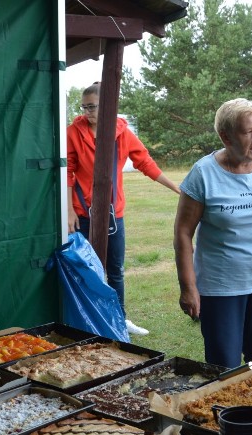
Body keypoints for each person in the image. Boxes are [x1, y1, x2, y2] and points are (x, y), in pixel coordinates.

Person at [174, 98, 252, 368]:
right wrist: (188, 287)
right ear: (226, 136)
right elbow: (183, 233)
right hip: (221, 287)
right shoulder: (203, 174)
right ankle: (225, 412)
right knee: (224, 366)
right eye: (248, 132)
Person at [66, 82, 181, 336]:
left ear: (107, 106)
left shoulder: (122, 133)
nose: (87, 112)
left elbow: (145, 163)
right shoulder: (73, 132)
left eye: (92, 106)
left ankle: (120, 320)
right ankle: (89, 323)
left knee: (115, 270)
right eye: (84, 107)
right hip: (82, 214)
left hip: (112, 215)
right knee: (86, 270)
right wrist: (70, 210)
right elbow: (68, 172)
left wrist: (176, 188)